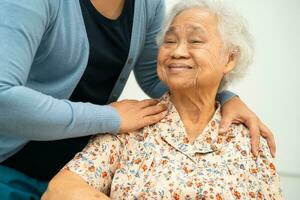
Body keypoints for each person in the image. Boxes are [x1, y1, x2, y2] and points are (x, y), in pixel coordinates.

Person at [0, 0, 275, 199]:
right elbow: (3, 97)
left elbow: (165, 77)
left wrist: (225, 97)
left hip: (68, 164)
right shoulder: (123, 135)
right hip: (10, 168)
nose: (178, 51)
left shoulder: (147, 4)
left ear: (231, 58)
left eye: (195, 41)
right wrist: (111, 118)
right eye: (170, 41)